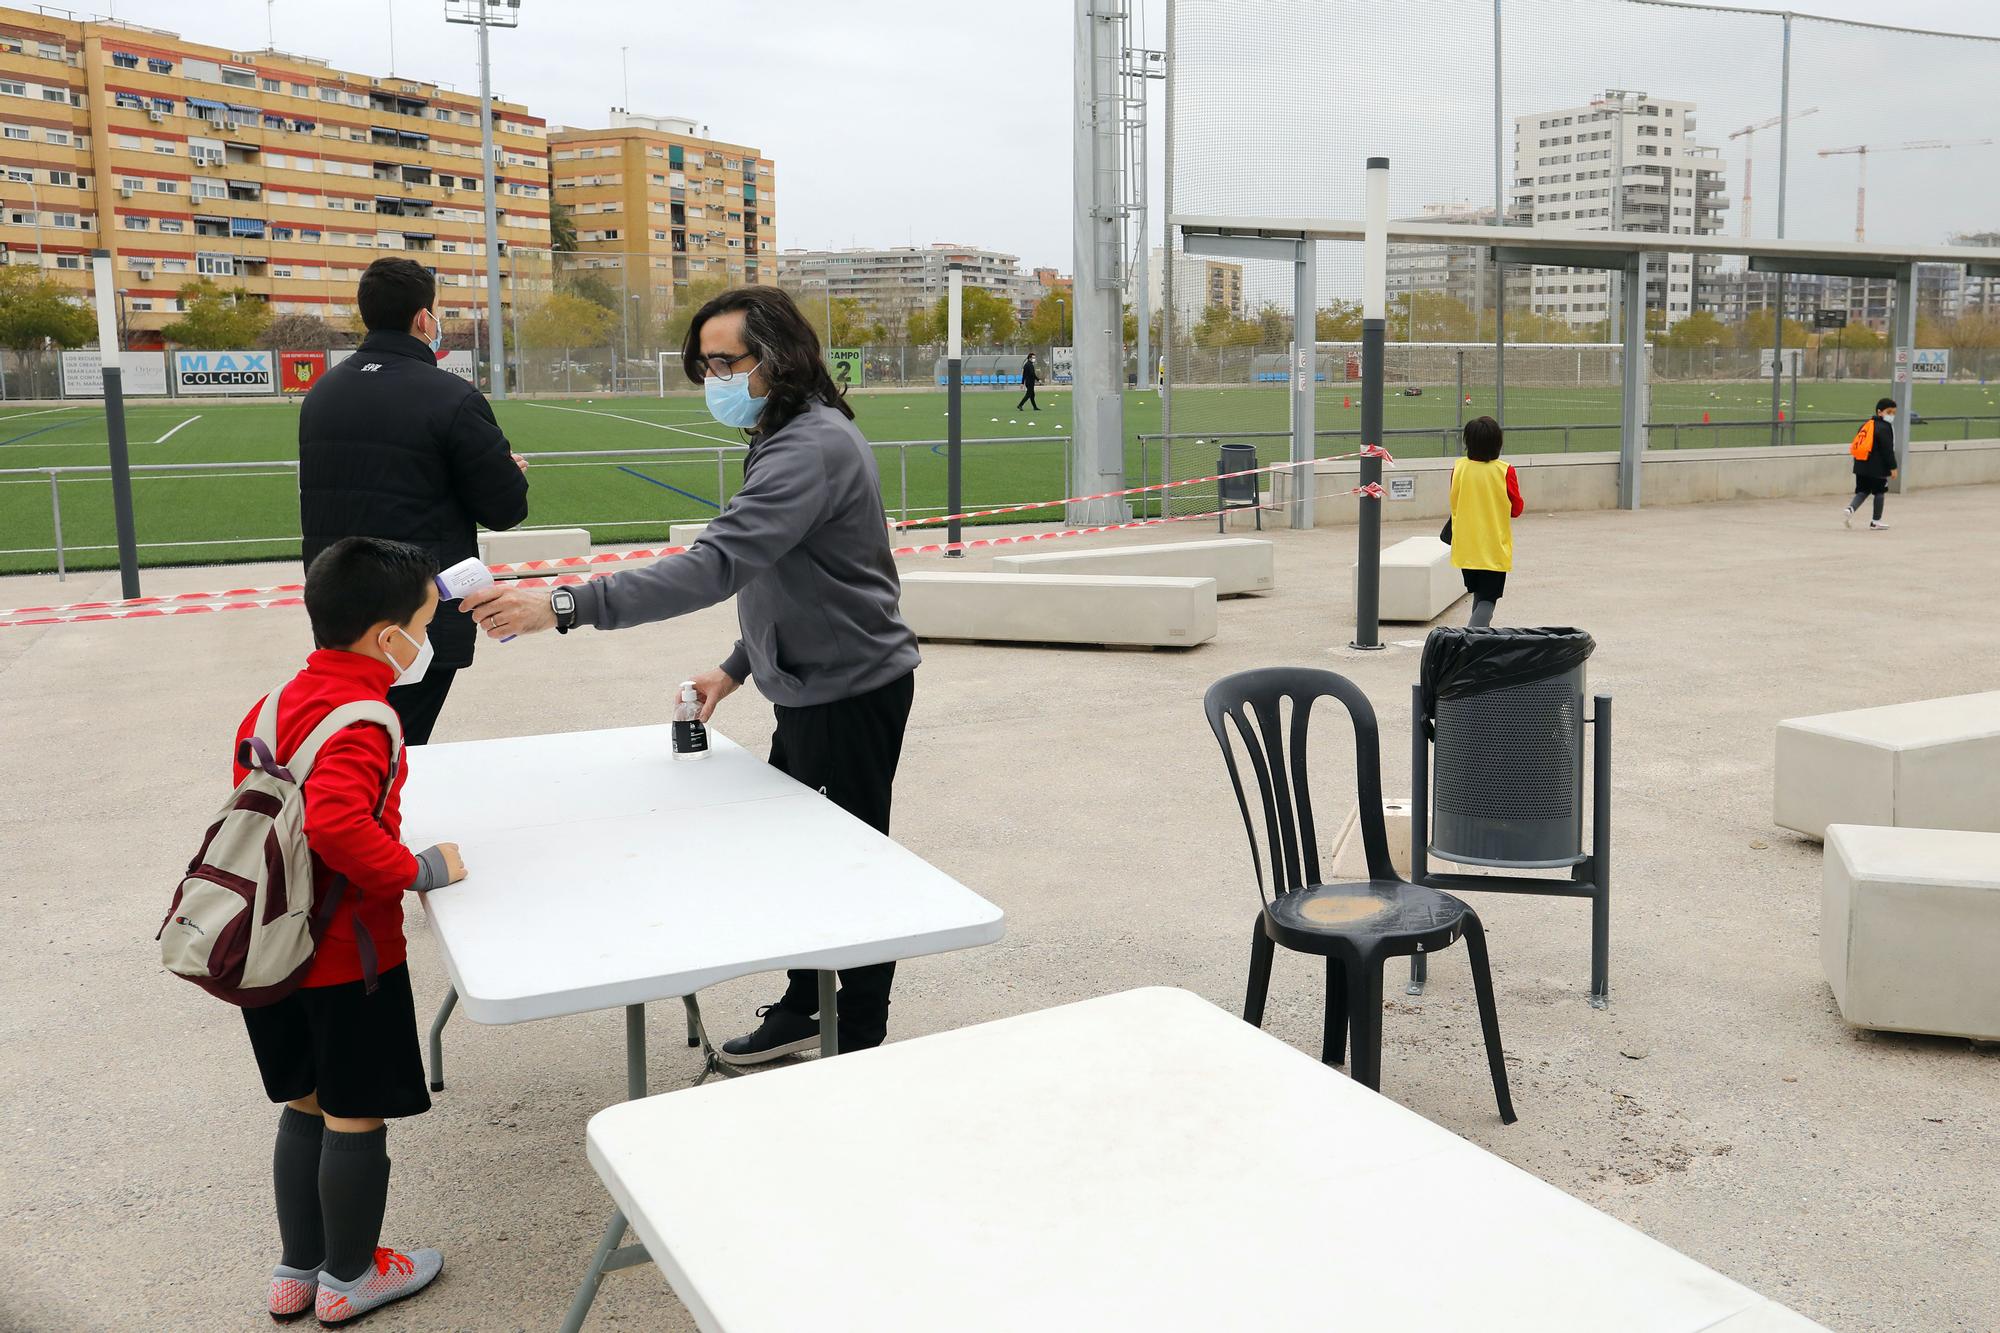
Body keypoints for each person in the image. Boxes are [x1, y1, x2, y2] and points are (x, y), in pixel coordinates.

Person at [460, 286, 921, 1062]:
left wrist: (565, 605)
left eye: (723, 362)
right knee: (802, 856)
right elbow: (793, 573)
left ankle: (857, 1032)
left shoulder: (808, 447)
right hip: (812, 684)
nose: (712, 379)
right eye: (703, 364)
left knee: (845, 864)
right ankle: (812, 1005)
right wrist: (739, 665)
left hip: (848, 691)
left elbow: (716, 565)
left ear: (776, 359)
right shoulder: (789, 432)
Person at [236, 537, 468, 1325]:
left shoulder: (269, 704)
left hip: (266, 952)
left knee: (302, 1104)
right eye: (424, 625)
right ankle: (352, 1276)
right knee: (352, 1112)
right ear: (386, 638)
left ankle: (296, 1269)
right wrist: (418, 867)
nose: (426, 641)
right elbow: (336, 825)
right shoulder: (366, 718)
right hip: (344, 956)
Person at [299, 256, 531, 745]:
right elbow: (504, 508)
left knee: (358, 737)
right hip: (413, 612)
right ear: (424, 319)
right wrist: (507, 470)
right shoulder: (451, 396)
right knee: (392, 751)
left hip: (338, 602)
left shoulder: (324, 392)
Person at [1448, 415, 1524, 628]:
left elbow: (1455, 498)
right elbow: (1516, 508)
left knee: (1480, 595)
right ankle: (1470, 643)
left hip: (1466, 547)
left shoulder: (1459, 468)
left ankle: (1478, 637)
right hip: (1492, 547)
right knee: (1488, 601)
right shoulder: (1505, 470)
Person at [1844, 397, 1899, 530]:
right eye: (1889, 412)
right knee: (1879, 492)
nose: (1892, 415)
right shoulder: (1885, 428)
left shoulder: (1866, 425)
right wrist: (1893, 467)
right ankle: (1876, 521)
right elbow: (1887, 450)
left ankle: (1850, 508)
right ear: (1880, 412)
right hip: (1877, 468)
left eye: (1893, 412)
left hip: (1861, 465)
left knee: (1862, 491)